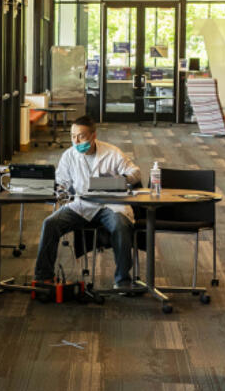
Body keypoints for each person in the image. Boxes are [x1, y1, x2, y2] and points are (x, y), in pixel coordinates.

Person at [34, 115, 145, 294]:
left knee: (120, 225)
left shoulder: (112, 152)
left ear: (93, 136)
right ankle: (43, 277)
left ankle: (122, 280)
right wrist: (57, 189)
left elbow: (135, 172)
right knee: (50, 223)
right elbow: (60, 181)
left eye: (81, 136)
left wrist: (119, 181)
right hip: (82, 205)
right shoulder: (69, 155)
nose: (76, 141)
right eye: (73, 136)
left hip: (111, 204)